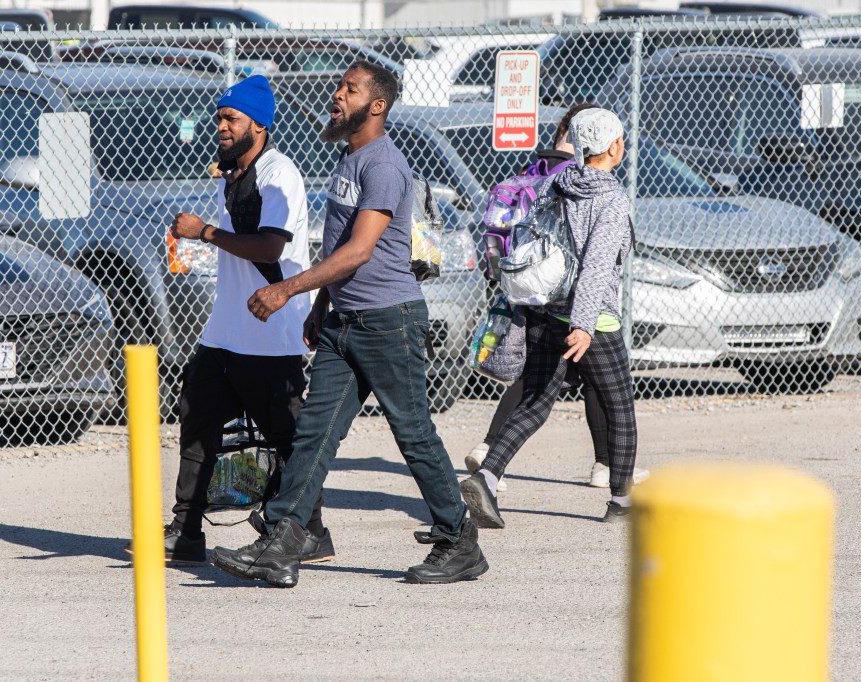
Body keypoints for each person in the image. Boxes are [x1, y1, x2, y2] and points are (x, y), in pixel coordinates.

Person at [210, 61, 488, 588]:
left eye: (349, 89)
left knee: (412, 433)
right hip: (343, 320)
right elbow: (338, 244)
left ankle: (459, 540)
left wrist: (288, 289)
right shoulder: (349, 157)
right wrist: (320, 306)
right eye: (339, 85)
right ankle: (283, 542)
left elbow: (360, 251)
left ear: (376, 105)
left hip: (388, 322)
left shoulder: (384, 166)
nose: (337, 94)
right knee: (315, 433)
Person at [149, 75, 331, 564]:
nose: (222, 127)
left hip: (271, 338)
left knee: (287, 439)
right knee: (196, 417)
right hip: (225, 334)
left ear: (260, 124)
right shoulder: (234, 174)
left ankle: (309, 531)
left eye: (232, 119)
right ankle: (186, 531)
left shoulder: (278, 174)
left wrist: (204, 231)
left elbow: (270, 246)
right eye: (220, 119)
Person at [460, 107, 639, 527]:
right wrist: (583, 324)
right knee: (620, 408)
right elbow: (596, 265)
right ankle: (622, 502)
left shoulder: (557, 180)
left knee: (536, 402)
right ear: (614, 147)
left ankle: (486, 477)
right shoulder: (610, 199)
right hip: (592, 320)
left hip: (544, 308)